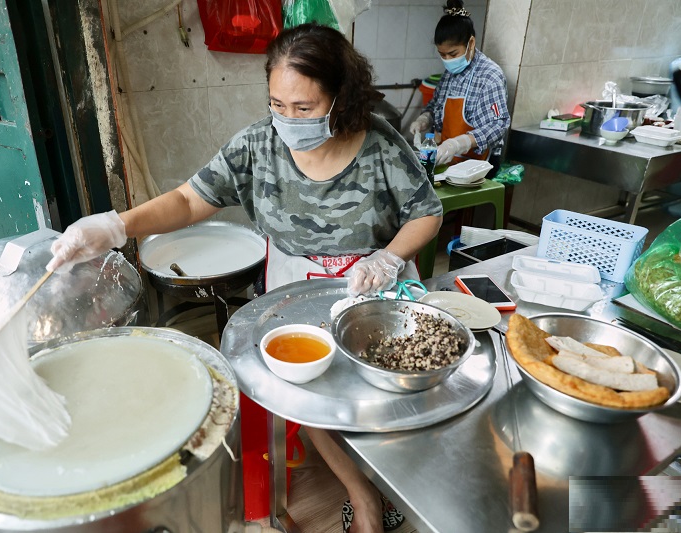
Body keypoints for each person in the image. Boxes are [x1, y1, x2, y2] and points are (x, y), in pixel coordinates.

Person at [46, 23, 443, 533]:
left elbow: (426, 212)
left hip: (373, 283)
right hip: (295, 289)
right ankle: (360, 493)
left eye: (304, 108)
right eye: (277, 104)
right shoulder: (258, 146)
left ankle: (389, 480)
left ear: (341, 97)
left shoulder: (380, 143)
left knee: (381, 390)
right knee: (308, 391)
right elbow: (190, 200)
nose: (288, 119)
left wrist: (387, 257)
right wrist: (116, 224)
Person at [409, 0, 510, 167]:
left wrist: (459, 143)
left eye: (453, 53)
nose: (448, 60)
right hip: (448, 162)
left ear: (470, 43)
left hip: (478, 166)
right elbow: (436, 105)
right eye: (443, 55)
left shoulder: (490, 76)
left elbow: (498, 124)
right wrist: (424, 119)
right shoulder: (449, 75)